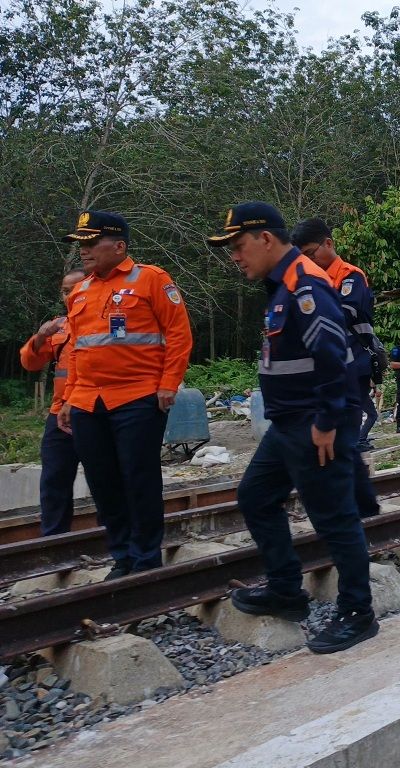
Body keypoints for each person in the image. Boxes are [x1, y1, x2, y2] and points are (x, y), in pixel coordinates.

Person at [208, 201, 376, 654]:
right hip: (288, 424)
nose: (235, 257)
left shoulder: (304, 283)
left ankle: (358, 612)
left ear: (266, 239)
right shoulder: (280, 285)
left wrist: (326, 421)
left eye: (239, 246)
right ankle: (286, 590)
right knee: (255, 497)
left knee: (335, 518)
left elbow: (333, 354)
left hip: (313, 424)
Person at [58, 211, 193, 579]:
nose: (83, 251)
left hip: (137, 398)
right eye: (80, 244)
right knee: (102, 481)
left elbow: (179, 334)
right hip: (88, 402)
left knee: (139, 478)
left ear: (118, 245)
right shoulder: (81, 291)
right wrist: (69, 397)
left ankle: (146, 558)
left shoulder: (151, 279)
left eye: (90, 243)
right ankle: (122, 555)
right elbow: (78, 350)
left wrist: (168, 384)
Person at [292, 219, 379, 516]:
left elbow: (345, 313)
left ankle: (357, 505)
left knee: (344, 434)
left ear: (328, 244)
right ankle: (360, 504)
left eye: (311, 252)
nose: (308, 259)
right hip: (333, 366)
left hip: (354, 362)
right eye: (302, 255)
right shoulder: (309, 280)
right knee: (341, 438)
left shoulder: (349, 276)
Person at [19, 268, 88, 536]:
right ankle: (53, 540)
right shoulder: (59, 326)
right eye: (64, 290)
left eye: (74, 288)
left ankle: (116, 537)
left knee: (104, 477)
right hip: (60, 412)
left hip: (93, 408)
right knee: (54, 478)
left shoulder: (104, 322)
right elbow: (30, 362)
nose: (68, 294)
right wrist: (40, 337)